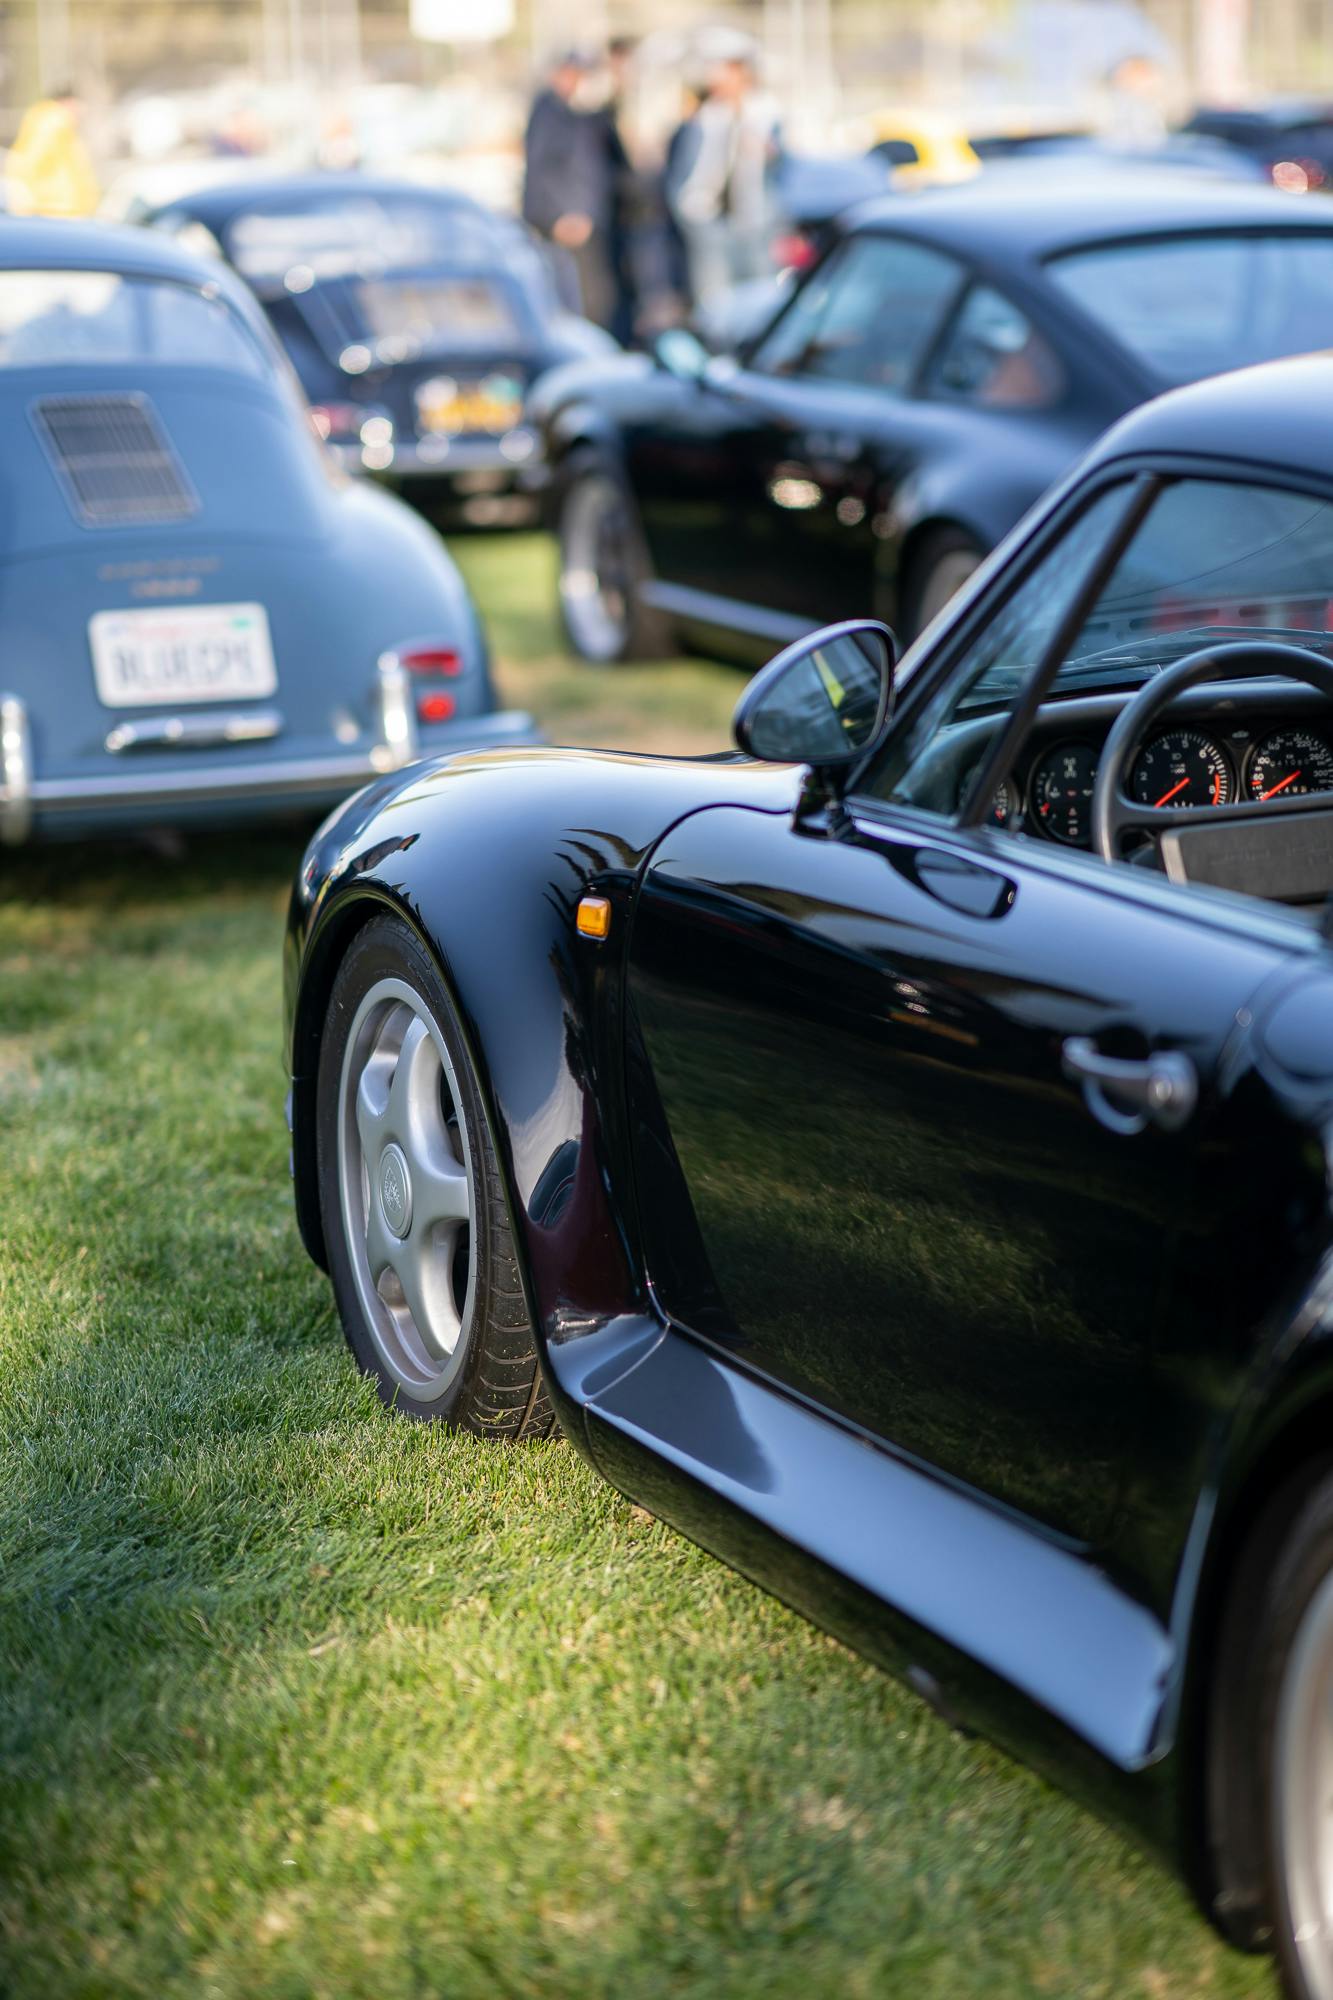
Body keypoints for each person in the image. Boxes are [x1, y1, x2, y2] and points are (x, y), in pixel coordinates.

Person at [667, 41, 780, 313]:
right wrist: (689, 213)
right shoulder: (704, 119)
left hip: (754, 223)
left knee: (759, 301)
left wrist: (770, 153)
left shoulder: (767, 115)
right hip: (708, 222)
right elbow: (682, 172)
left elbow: (782, 172)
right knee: (714, 302)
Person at [522, 50, 616, 331]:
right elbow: (543, 167)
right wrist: (563, 214)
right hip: (567, 221)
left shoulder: (569, 111)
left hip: (578, 218)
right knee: (580, 302)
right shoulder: (549, 111)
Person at [6, 83, 99, 219]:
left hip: (59, 209)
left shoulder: (58, 125)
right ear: (67, 102)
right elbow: (29, 163)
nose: (81, 110)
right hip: (55, 209)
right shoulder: (54, 123)